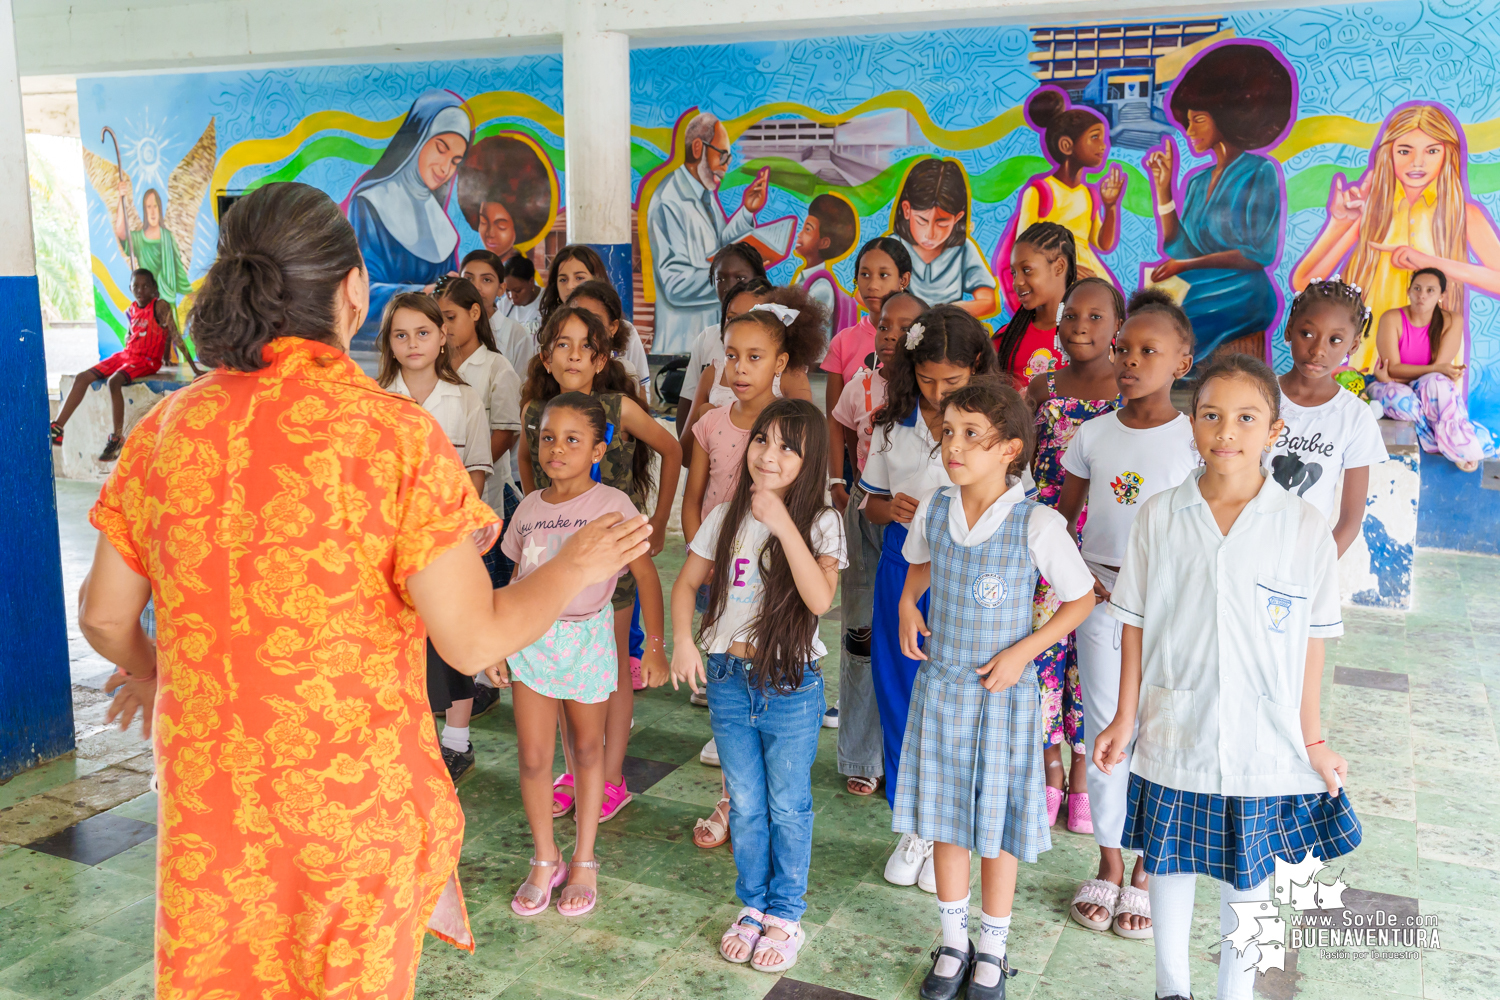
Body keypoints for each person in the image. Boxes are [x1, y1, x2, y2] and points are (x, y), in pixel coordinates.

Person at [77, 181, 651, 1000]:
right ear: (353, 292)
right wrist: (573, 566)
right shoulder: (390, 437)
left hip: (214, 802)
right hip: (353, 806)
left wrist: (157, 669)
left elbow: (103, 618)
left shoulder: (165, 428)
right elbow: (474, 640)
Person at [1094, 353, 1361, 1000]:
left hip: (1265, 735)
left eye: (1246, 418)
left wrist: (1313, 737)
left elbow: (1315, 640)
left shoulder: (1303, 529)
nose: (1226, 431)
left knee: (1251, 880)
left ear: (1274, 431)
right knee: (1171, 862)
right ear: (1192, 423)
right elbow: (1131, 621)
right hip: (1174, 724)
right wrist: (1125, 716)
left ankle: (1234, 993)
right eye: (1211, 415)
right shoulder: (1160, 516)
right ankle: (1171, 988)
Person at [897, 378, 1094, 1000]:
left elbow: (1081, 598)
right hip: (942, 690)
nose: (953, 446)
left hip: (1003, 697)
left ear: (1010, 449)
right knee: (950, 823)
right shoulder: (936, 505)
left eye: (971, 435)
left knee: (997, 826)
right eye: (948, 432)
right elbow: (921, 560)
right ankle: (954, 944)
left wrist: (1024, 652)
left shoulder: (1035, 521)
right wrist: (908, 602)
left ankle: (993, 951)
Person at [670, 398, 847, 974]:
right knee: (744, 802)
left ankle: (786, 913)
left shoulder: (821, 522)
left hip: (790, 683)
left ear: (810, 459)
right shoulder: (724, 517)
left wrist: (779, 522)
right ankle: (752, 905)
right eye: (762, 440)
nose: (768, 455)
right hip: (727, 676)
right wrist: (680, 640)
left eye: (787, 447)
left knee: (787, 805)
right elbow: (687, 583)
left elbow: (821, 601)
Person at [1057, 288, 1198, 940]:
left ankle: (1147, 865)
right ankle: (1109, 861)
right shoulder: (1092, 435)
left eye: (1149, 350)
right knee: (1105, 731)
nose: (1131, 360)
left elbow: (1207, 532)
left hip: (1167, 612)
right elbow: (1061, 521)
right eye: (1125, 349)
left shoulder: (1196, 441)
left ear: (1182, 360)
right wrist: (1078, 576)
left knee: (1155, 733)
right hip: (1101, 603)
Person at [518, 306, 682, 821]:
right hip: (561, 566)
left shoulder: (618, 407)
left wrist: (655, 520)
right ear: (545, 357)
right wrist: (541, 515)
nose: (571, 355)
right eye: (560, 345)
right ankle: (574, 772)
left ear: (601, 358)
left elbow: (672, 450)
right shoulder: (534, 413)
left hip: (614, 552)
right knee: (566, 674)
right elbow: (529, 468)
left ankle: (610, 777)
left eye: (583, 346)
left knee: (607, 670)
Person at [507, 393, 667, 918]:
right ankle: (543, 857)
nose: (557, 449)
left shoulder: (613, 506)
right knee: (532, 757)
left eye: (572, 440)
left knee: (586, 750)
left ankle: (583, 860)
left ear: (598, 450)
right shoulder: (529, 507)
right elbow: (517, 580)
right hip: (531, 641)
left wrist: (659, 647)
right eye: (548, 437)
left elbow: (646, 577)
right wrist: (499, 641)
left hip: (586, 642)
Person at [861, 305, 999, 891]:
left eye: (953, 383)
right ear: (909, 370)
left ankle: (952, 825)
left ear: (976, 372)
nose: (939, 395)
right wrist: (885, 509)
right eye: (927, 380)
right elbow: (869, 498)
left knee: (957, 699)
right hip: (902, 561)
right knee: (900, 692)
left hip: (967, 571)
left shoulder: (990, 426)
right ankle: (914, 822)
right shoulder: (891, 427)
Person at [375, 292, 498, 783]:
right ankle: (413, 740)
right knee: (403, 645)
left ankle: (457, 742)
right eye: (400, 335)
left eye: (422, 332)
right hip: (392, 545)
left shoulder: (465, 397)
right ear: (388, 341)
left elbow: (477, 473)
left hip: (450, 544)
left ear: (442, 335)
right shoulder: (376, 397)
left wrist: (458, 533)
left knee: (453, 642)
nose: (412, 343)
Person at [1293, 103, 1500, 373]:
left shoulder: (1462, 215)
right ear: (1388, 153)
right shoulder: (1373, 212)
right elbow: (1303, 281)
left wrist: (1427, 262)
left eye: (1432, 150)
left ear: (1448, 154)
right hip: (1369, 354)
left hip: (1434, 358)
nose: (1417, 162)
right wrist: (1339, 224)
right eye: (1404, 150)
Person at [1023, 276, 1123, 837]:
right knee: (1045, 650)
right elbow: (1026, 465)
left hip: (1100, 546)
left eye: (1095, 318)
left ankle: (1083, 768)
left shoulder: (1128, 395)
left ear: (1117, 328)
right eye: (1071, 317)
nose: (1080, 328)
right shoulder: (1041, 389)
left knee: (1090, 660)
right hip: (1048, 535)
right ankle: (1049, 764)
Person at [830, 290, 924, 797]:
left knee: (910, 643)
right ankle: (862, 753)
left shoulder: (940, 404)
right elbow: (839, 427)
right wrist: (838, 482)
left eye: (903, 327)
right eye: (884, 325)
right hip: (872, 513)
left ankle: (908, 755)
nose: (890, 334)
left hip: (923, 532)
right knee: (861, 636)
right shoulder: (863, 387)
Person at [1145, 41, 1293, 362]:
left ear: (1229, 117)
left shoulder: (1261, 171)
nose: (1188, 130)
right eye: (1186, 121)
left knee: (1180, 325)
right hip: (1201, 284)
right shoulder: (1197, 182)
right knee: (1150, 314)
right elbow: (1180, 248)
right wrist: (1164, 190)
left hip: (1244, 294)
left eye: (1197, 119)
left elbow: (1259, 254)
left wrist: (1187, 266)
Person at [1269, 278, 1390, 544]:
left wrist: (1317, 573)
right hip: (1242, 548)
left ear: (1354, 345)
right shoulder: (1258, 395)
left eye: (1335, 339)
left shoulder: (1355, 416)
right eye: (1307, 334)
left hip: (1302, 558)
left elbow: (1349, 520)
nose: (1317, 350)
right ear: (1289, 329)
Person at [344, 89, 472, 335]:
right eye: (441, 148)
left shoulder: (444, 230)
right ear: (418, 140)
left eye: (455, 160)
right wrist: (422, 294)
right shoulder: (370, 205)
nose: (445, 168)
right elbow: (357, 292)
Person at [646, 111, 772, 354]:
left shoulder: (705, 195)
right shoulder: (669, 201)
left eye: (729, 158)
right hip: (683, 345)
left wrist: (747, 211)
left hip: (712, 343)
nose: (726, 166)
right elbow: (674, 283)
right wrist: (732, 279)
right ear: (697, 148)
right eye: (722, 155)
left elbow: (722, 250)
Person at [51, 268, 201, 461]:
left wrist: (194, 368)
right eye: (135, 286)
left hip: (147, 359)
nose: (140, 290)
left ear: (154, 288)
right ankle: (58, 427)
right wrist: (165, 356)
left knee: (114, 382)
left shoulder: (160, 306)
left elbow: (172, 334)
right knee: (83, 377)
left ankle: (117, 437)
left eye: (145, 286)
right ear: (130, 288)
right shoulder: (131, 310)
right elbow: (136, 336)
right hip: (127, 355)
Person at [995, 87, 1125, 306]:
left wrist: (1110, 206)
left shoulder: (1088, 194)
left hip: (1091, 281)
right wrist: (1068, 272)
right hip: (1057, 284)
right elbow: (1023, 251)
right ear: (1066, 145)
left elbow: (1102, 243)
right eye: (1094, 137)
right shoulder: (1040, 192)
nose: (1103, 146)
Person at [436, 276, 524, 580]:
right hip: (440, 495)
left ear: (475, 313)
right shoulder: (436, 366)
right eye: (439, 321)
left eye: (451, 318)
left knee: (484, 584)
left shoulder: (497, 368)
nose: (444, 328)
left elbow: (506, 432)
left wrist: (468, 472)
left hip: (485, 494)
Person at [1369, 267, 1497, 471]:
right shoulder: (1391, 318)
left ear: (1441, 295)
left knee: (1437, 383)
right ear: (1409, 290)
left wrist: (1397, 376)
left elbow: (1435, 374)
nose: (1422, 295)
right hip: (1387, 385)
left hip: (1421, 386)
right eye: (1417, 288)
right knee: (1403, 402)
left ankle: (1457, 443)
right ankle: (1449, 444)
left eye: (1430, 290)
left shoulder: (1452, 321)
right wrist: (1394, 378)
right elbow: (1394, 368)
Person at [826, 237, 914, 509]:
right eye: (864, 274)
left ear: (904, 280)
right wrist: (837, 480)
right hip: (857, 470)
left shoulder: (922, 336)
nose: (872, 285)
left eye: (883, 275)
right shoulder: (843, 341)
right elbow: (835, 419)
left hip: (909, 470)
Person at [679, 244, 770, 436]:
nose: (729, 286)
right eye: (720, 278)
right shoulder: (706, 340)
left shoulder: (777, 342)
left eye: (740, 278)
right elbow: (687, 404)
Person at [890, 157, 998, 317]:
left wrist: (944, 314)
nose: (930, 233)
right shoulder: (892, 247)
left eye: (942, 223)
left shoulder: (963, 250)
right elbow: (863, 294)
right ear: (907, 210)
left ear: (957, 218)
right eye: (922, 220)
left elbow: (988, 302)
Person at [992, 222, 1076, 388]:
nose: (1017, 282)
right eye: (1014, 273)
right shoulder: (1005, 340)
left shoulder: (1092, 336)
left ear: (1059, 267)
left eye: (1027, 269)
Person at [455, 133, 555, 260]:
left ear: (518, 228)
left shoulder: (521, 273)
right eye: (484, 222)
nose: (490, 234)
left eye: (501, 226)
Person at [794, 192, 861, 339]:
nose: (799, 234)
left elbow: (807, 333)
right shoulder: (804, 278)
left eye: (807, 229)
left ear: (824, 243)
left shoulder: (822, 288)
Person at [111, 185, 191, 305]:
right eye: (149, 207)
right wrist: (121, 198)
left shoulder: (167, 237)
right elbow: (120, 232)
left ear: (160, 208)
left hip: (167, 303)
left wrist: (193, 297)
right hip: (148, 305)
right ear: (145, 210)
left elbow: (178, 270)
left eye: (155, 206)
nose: (153, 212)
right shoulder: (138, 239)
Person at [567, 279, 651, 392]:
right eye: (575, 318)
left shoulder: (627, 374)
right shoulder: (556, 365)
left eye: (594, 319)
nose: (583, 326)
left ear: (612, 327)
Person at [460, 248, 531, 365]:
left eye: (486, 280)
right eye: (468, 278)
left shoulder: (517, 335)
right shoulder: (449, 329)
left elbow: (523, 382)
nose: (476, 287)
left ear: (501, 289)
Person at [500, 254, 543, 331]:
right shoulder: (503, 306)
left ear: (531, 282)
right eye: (507, 290)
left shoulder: (548, 301)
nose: (512, 296)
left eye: (517, 290)